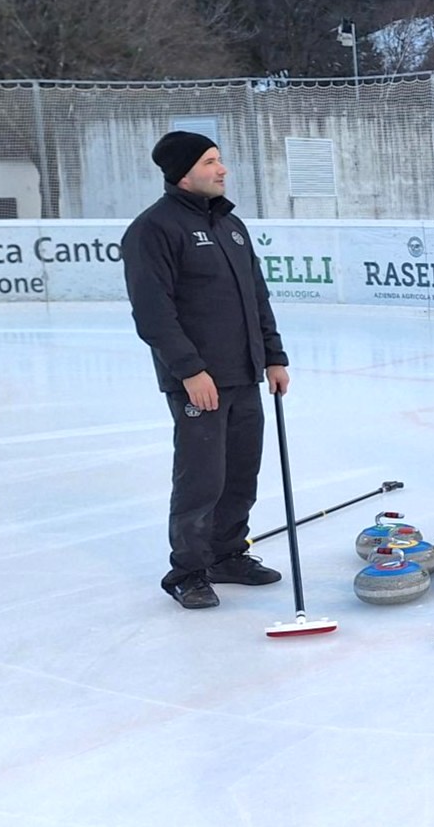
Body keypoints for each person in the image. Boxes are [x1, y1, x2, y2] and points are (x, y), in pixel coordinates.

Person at [122, 131, 289, 610]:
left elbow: (257, 297)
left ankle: (226, 554)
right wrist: (191, 371)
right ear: (183, 172)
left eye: (221, 159)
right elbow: (153, 313)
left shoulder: (231, 225)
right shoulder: (153, 229)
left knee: (241, 474)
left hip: (245, 373)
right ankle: (189, 571)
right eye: (212, 161)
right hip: (198, 382)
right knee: (201, 480)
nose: (223, 169)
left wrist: (273, 356)